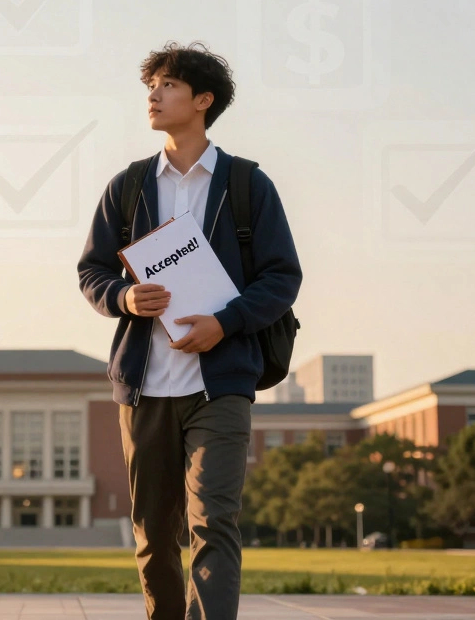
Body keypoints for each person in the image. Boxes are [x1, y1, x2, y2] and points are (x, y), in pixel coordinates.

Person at [77, 42, 302, 620]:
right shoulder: (127, 186)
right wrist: (124, 295)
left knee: (215, 523)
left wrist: (224, 323)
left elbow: (282, 277)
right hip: (144, 384)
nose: (153, 95)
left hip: (220, 383)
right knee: (153, 532)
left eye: (169, 85)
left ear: (203, 100)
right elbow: (91, 271)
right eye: (150, 85)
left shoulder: (247, 185)